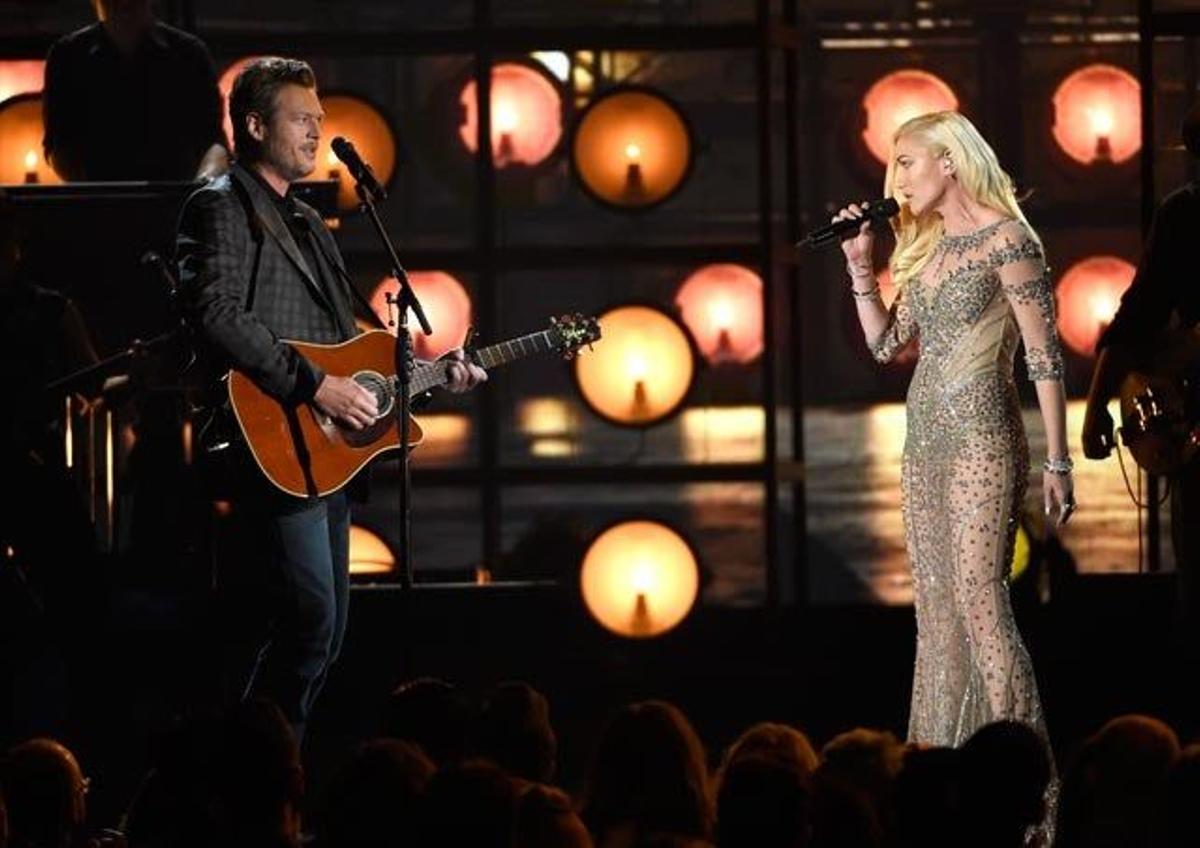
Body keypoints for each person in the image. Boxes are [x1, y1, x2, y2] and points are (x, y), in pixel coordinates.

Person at [175, 56, 485, 740]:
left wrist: (435, 374)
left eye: (320, 120)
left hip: (328, 452)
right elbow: (219, 313)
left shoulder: (312, 223)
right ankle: (247, 773)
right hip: (273, 438)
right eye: (300, 120)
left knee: (329, 632)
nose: (317, 133)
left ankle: (268, 769)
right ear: (254, 125)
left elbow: (357, 347)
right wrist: (315, 386)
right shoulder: (221, 206)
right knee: (307, 620)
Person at [834, 112, 1070, 755]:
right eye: (895, 166)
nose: (898, 179)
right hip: (924, 441)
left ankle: (1020, 771)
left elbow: (1046, 356)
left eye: (907, 163)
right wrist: (862, 268)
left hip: (981, 433)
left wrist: (1059, 459)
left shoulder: (1009, 242)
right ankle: (944, 764)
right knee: (937, 612)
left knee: (980, 600)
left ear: (950, 161)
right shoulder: (929, 247)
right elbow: (885, 346)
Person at [1081, 103, 1200, 638]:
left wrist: (1098, 406)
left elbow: (1137, 316)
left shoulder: (1184, 213)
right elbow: (1140, 314)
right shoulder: (1182, 216)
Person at [43, 0, 229, 182]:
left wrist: (204, 183)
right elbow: (58, 146)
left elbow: (213, 141)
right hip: (99, 204)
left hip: (172, 202)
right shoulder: (67, 56)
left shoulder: (190, 54)